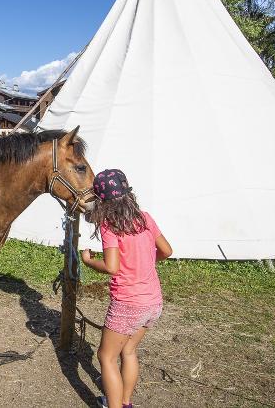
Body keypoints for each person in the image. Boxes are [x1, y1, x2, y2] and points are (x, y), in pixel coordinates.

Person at [81, 169, 172, 408]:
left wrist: (89, 261)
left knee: (106, 357)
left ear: (101, 201)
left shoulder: (110, 226)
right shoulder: (145, 218)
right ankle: (124, 402)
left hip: (128, 304)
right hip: (153, 303)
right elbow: (167, 251)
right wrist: (144, 262)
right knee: (128, 351)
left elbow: (112, 267)